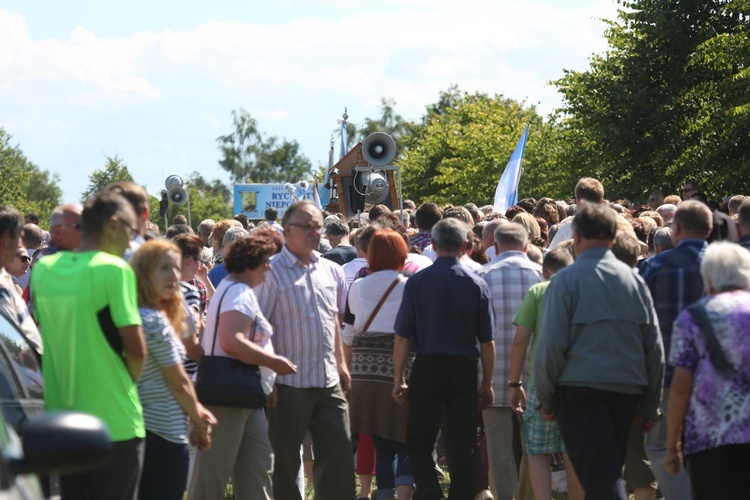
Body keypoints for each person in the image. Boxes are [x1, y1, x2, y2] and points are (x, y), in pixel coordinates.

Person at [534, 204, 664, 500]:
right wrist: (650, 403)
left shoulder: (565, 280)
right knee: (605, 473)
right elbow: (653, 347)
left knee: (601, 478)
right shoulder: (635, 280)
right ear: (613, 238)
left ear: (576, 236)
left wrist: (547, 397)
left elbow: (551, 346)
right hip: (626, 390)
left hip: (580, 391)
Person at [31, 191, 147, 499]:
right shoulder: (115, 270)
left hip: (62, 422)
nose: (132, 240)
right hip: (115, 423)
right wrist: (121, 385)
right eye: (131, 231)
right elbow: (137, 351)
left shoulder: (43, 270)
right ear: (113, 224)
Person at [254, 199, 356, 500]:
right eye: (307, 226)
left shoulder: (330, 271)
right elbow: (259, 329)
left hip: (328, 380)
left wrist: (342, 364)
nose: (315, 232)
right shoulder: (270, 272)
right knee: (284, 463)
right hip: (287, 384)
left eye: (318, 226)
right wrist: (267, 377)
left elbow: (334, 323)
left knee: (338, 456)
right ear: (287, 230)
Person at [393, 217, 496, 500]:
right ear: (465, 246)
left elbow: (402, 336)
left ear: (434, 245)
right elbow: (487, 342)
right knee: (463, 444)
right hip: (463, 369)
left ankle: (429, 493)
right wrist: (487, 383)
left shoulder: (416, 282)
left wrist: (398, 377)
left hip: (427, 367)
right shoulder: (477, 283)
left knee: (419, 440)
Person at [188, 235, 297, 499]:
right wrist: (273, 362)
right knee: (211, 477)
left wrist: (266, 380)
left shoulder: (235, 288)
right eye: (265, 262)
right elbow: (231, 341)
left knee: (258, 468)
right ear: (251, 264)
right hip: (229, 395)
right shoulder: (238, 291)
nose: (269, 268)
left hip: (244, 392)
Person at [130, 240, 217, 500]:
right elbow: (178, 381)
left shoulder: (137, 314)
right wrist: (199, 420)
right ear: (144, 273)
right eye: (164, 268)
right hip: (161, 432)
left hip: (149, 430)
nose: (174, 276)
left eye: (176, 268)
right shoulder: (152, 321)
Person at [663, 242, 750, 499]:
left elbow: (680, 387)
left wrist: (672, 444)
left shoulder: (693, 317)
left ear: (709, 279)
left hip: (707, 437)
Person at [639, 200, 712, 499]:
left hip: (666, 373)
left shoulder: (654, 266)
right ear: (709, 230)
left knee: (659, 445)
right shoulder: (728, 266)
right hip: (716, 376)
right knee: (708, 447)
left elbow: (639, 322)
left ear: (676, 228)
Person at [344, 229, 415, 500]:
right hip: (401, 370)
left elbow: (348, 335)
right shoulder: (410, 285)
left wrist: (348, 376)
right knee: (408, 438)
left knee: (380, 441)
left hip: (365, 374)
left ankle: (384, 493)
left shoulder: (358, 287)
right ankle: (406, 491)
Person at [508, 248, 583, 500]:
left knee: (537, 450)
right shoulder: (581, 293)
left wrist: (514, 381)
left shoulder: (538, 291)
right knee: (572, 449)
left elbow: (520, 341)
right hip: (576, 379)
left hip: (541, 380)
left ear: (544, 271)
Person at [475, 223, 543, 500]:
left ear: (496, 246)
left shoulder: (481, 276)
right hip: (535, 374)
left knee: (498, 447)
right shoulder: (542, 275)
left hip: (491, 373)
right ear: (526, 246)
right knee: (535, 448)